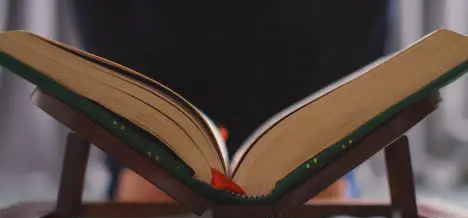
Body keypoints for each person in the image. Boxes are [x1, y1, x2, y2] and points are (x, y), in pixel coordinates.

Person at [70, 0, 389, 201]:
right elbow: (107, 40)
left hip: (300, 122)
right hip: (162, 131)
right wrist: (139, 150)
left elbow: (356, 41)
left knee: (319, 200)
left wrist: (322, 147)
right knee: (150, 196)